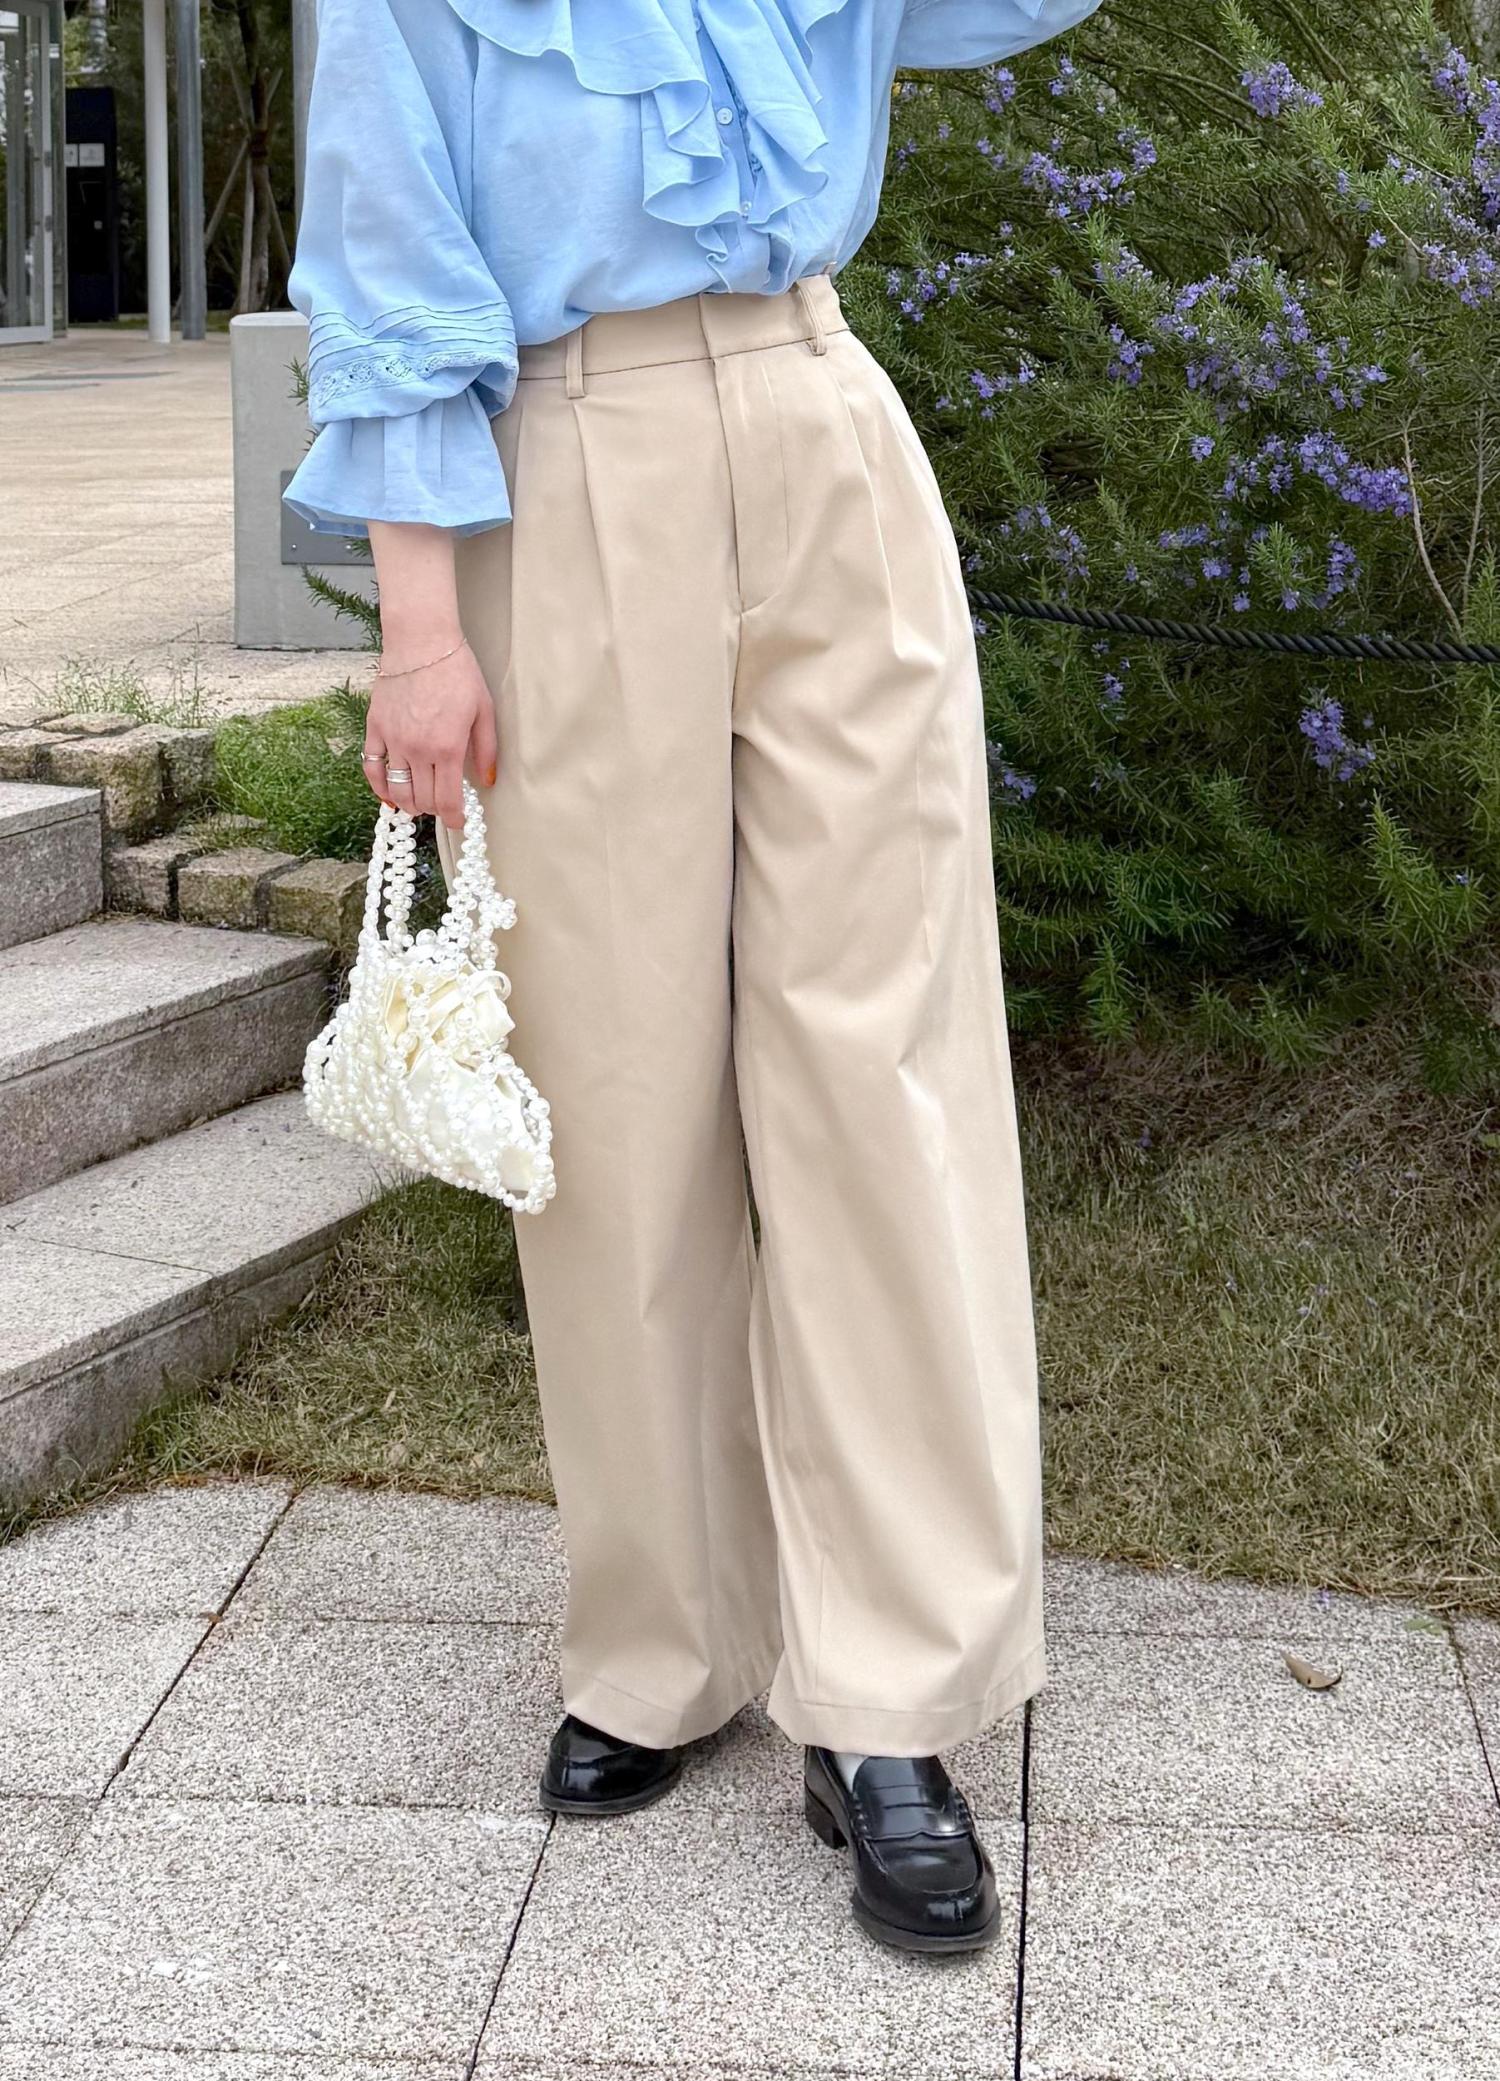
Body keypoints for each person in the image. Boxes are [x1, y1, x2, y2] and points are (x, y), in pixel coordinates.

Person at [286, 0, 1101, 1957]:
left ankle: (889, 1696)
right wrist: (419, 630)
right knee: (617, 1084)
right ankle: (668, 1643)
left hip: (825, 429)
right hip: (567, 463)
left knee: (881, 1070)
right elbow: (389, 254)